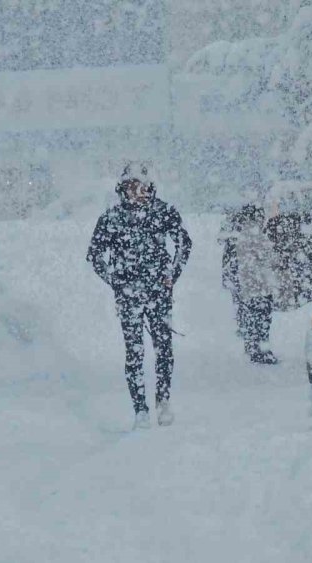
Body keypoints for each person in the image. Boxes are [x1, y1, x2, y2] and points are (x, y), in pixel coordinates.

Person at [87, 163, 192, 429]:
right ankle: (140, 410)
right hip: (128, 296)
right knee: (134, 352)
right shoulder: (112, 218)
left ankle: (163, 401)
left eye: (142, 186)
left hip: (159, 292)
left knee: (163, 349)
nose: (137, 192)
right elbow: (95, 255)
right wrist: (115, 281)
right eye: (132, 187)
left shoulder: (163, 211)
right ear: (123, 189)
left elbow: (184, 243)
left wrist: (172, 274)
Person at [219, 204, 280, 365]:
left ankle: (253, 347)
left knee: (252, 318)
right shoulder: (254, 235)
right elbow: (269, 258)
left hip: (248, 287)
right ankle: (260, 350)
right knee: (262, 319)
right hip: (259, 286)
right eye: (261, 216)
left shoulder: (240, 234)